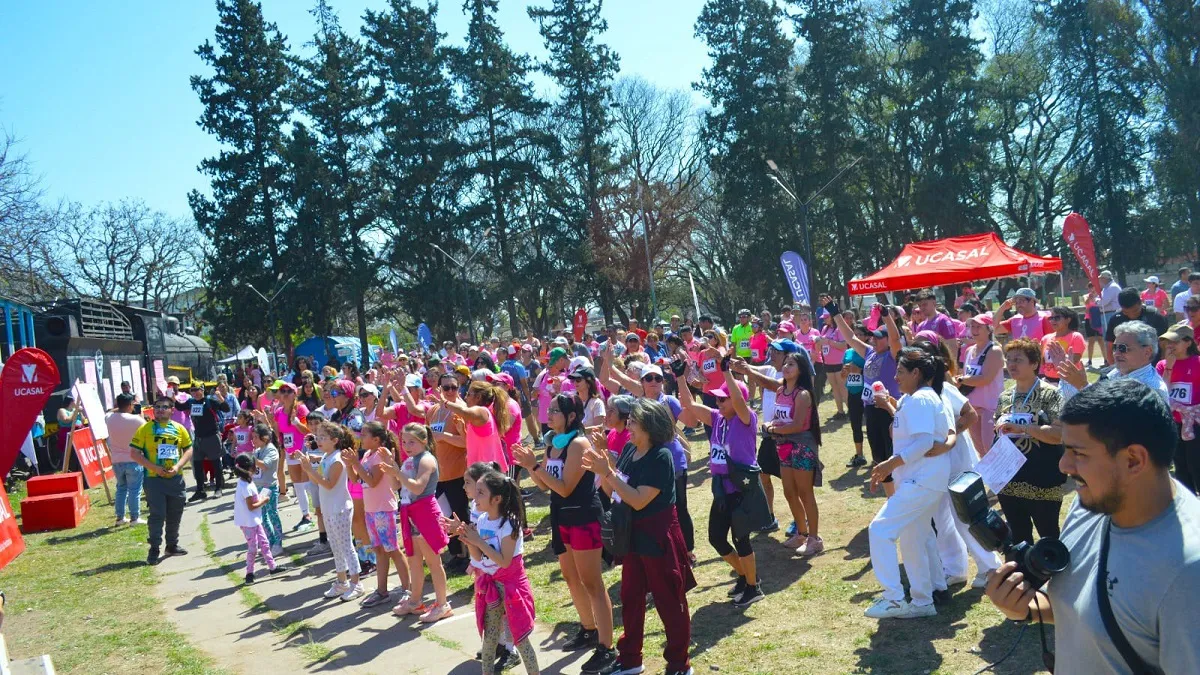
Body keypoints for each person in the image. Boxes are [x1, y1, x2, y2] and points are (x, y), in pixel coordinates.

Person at [985, 379, 1200, 674]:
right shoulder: (1093, 501)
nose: (1064, 465)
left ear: (1134, 460)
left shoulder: (1188, 572)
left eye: (1079, 453)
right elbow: (1091, 607)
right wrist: (1025, 608)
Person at [581, 399, 695, 675]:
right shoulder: (631, 449)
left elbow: (638, 499)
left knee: (669, 601)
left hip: (657, 537)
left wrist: (607, 471)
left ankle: (679, 664)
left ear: (649, 425)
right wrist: (604, 459)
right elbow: (615, 489)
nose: (628, 425)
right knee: (630, 596)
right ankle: (630, 658)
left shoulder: (661, 456)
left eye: (633, 421)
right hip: (632, 535)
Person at [512, 396, 614, 672]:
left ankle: (607, 648)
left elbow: (566, 487)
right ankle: (588, 629)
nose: (550, 414)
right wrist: (530, 466)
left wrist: (535, 466)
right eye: (550, 409)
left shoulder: (578, 444)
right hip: (562, 516)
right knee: (570, 577)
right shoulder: (552, 444)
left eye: (556, 410)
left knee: (592, 582)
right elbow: (545, 487)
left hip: (583, 516)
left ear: (571, 416)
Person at [864, 347, 954, 619]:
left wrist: (889, 465)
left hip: (922, 480)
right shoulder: (915, 398)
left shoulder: (921, 399)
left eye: (901, 372)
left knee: (880, 530)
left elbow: (924, 442)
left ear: (916, 373)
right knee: (915, 539)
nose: (896, 377)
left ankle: (893, 598)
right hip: (922, 480)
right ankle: (925, 600)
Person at [679, 362, 768, 605]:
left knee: (741, 539)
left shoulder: (746, 418)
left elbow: (738, 401)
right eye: (717, 399)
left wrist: (727, 371)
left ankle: (753, 588)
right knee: (716, 537)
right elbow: (689, 405)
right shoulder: (717, 418)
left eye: (722, 399)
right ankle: (745, 576)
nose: (718, 403)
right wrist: (680, 378)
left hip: (741, 488)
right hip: (721, 488)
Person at [598, 359, 695, 555]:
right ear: (641, 382)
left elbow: (692, 422)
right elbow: (613, 380)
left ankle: (687, 551)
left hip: (673, 461)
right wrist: (608, 360)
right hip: (647, 462)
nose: (653, 381)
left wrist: (682, 383)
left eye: (658, 378)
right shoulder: (637, 404)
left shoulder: (669, 401)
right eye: (648, 378)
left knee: (679, 508)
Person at [448, 470, 541, 675]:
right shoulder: (482, 520)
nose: (475, 496)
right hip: (492, 587)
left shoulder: (510, 523)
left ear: (496, 499)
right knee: (489, 640)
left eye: (481, 492)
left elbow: (504, 561)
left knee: (521, 640)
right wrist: (467, 538)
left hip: (512, 589)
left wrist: (478, 541)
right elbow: (478, 558)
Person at [734, 351, 823, 556]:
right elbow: (779, 416)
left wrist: (772, 428)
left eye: (791, 364)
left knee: (805, 493)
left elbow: (798, 425)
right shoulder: (781, 390)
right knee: (789, 492)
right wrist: (771, 424)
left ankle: (814, 539)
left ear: (801, 370)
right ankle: (801, 534)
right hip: (783, 445)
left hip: (802, 447)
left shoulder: (803, 394)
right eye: (786, 364)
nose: (786, 367)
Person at [994, 338, 1069, 544]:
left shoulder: (1051, 394)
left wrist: (1024, 429)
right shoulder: (1005, 397)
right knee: (1018, 540)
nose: (1011, 364)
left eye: (1018, 359)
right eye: (1009, 359)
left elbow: (1059, 434)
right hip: (1009, 480)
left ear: (1035, 363)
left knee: (1048, 537)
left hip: (1043, 478)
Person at [344, 421, 411, 609]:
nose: (360, 437)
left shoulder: (381, 454)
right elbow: (355, 480)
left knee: (393, 550)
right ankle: (382, 591)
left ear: (376, 439)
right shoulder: (367, 455)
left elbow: (372, 481)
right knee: (379, 550)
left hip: (384, 509)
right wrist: (350, 464)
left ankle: (408, 590)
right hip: (371, 509)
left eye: (365, 434)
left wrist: (355, 463)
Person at [836, 308, 902, 496]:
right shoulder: (869, 352)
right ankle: (890, 497)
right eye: (873, 336)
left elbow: (895, 339)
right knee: (878, 456)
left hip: (888, 410)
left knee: (892, 454)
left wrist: (886, 316)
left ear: (887, 340)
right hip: (871, 410)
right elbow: (850, 337)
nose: (874, 339)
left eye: (879, 337)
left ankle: (900, 493)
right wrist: (835, 314)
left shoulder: (893, 355)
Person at [299, 421, 365, 602]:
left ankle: (356, 584)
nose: (319, 441)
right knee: (336, 547)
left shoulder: (337, 460)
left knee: (346, 547)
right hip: (329, 509)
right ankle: (342, 582)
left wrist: (309, 469)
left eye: (323, 438)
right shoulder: (327, 457)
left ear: (335, 440)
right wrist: (309, 464)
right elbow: (319, 478)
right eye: (318, 437)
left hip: (340, 509)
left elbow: (329, 484)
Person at [130, 394, 193, 565]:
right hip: (154, 480)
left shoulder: (179, 428)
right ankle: (154, 548)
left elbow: (188, 449)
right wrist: (154, 467)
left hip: (175, 480)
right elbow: (134, 453)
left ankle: (171, 545)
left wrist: (178, 466)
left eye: (164, 407)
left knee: (175, 514)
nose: (160, 410)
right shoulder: (145, 429)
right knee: (157, 515)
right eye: (157, 407)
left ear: (172, 410)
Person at [1061, 321, 1171, 405]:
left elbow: (1108, 416)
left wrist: (1083, 386)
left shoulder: (1152, 388)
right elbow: (1081, 406)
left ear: (1147, 352)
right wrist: (1066, 377)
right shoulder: (1111, 374)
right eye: (1115, 347)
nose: (1116, 353)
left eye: (1123, 348)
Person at [1156, 325, 1200, 493]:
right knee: (1181, 467)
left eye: (1175, 341)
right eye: (1168, 341)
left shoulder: (1197, 363)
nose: (1170, 345)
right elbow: (1162, 392)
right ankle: (1189, 501)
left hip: (1195, 423)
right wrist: (1169, 367)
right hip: (1174, 423)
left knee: (1196, 464)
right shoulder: (1162, 365)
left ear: (1188, 342)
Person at [261, 381, 311, 530]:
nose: (285, 394)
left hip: (304, 449)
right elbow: (278, 432)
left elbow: (308, 431)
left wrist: (296, 422)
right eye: (283, 391)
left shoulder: (300, 409)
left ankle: (320, 514)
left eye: (289, 391)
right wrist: (267, 420)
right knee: (298, 485)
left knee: (309, 484)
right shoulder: (279, 412)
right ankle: (306, 516)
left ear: (295, 394)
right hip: (290, 451)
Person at [954, 313, 1006, 453]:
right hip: (973, 408)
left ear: (989, 330)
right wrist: (960, 381)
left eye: (979, 327)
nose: (974, 330)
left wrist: (961, 380)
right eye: (972, 326)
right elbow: (967, 377)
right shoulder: (969, 351)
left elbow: (985, 379)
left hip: (990, 407)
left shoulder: (994, 350)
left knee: (991, 449)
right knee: (980, 451)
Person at [231, 453, 284, 584]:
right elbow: (251, 506)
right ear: (250, 468)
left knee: (264, 543)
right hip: (248, 522)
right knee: (253, 548)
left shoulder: (247, 481)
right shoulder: (246, 486)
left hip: (254, 520)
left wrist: (260, 497)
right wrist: (264, 501)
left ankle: (273, 567)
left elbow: (252, 502)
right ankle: (249, 573)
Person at [179, 382, 230, 501]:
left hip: (212, 436)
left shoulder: (210, 401)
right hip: (198, 438)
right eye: (192, 390)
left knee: (216, 463)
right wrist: (171, 397)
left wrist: (220, 398)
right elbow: (179, 407)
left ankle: (218, 488)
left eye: (197, 390)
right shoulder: (191, 402)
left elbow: (226, 409)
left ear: (202, 390)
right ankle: (200, 490)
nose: (195, 393)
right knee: (197, 464)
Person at [106, 393, 147, 525]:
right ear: (130, 405)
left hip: (116, 460)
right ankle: (134, 517)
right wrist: (139, 412)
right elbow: (146, 428)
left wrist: (119, 407)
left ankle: (120, 517)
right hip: (133, 459)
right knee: (134, 490)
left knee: (121, 488)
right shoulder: (136, 420)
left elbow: (109, 412)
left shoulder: (109, 418)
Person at [1105, 287, 1168, 364]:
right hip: (1126, 364)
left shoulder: (1154, 316)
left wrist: (1163, 362)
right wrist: (1112, 364)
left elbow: (1164, 342)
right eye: (1126, 312)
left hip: (1153, 362)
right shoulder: (1116, 319)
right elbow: (1109, 344)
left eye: (1135, 311)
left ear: (1141, 302)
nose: (1132, 315)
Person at [247, 423, 283, 555]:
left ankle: (278, 543)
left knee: (273, 514)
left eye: (256, 437)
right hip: (259, 487)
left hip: (269, 487)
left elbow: (265, 465)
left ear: (265, 437)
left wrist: (252, 459)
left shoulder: (271, 450)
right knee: (262, 516)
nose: (253, 440)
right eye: (253, 437)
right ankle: (270, 541)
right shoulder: (258, 450)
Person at [840, 319, 870, 467]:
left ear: (866, 337)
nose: (857, 337)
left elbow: (875, 373)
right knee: (855, 424)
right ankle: (859, 455)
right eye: (855, 335)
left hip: (868, 393)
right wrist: (845, 372)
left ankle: (878, 456)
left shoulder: (869, 351)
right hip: (853, 392)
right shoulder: (848, 352)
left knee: (871, 425)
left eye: (860, 335)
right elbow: (843, 375)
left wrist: (860, 370)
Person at [914, 289, 960, 368]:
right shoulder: (920, 326)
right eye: (919, 305)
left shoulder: (943, 321)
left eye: (924, 304)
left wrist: (949, 369)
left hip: (941, 367)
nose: (922, 308)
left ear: (934, 302)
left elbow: (953, 348)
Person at [1040, 306, 1085, 384]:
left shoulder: (1076, 337)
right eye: (1051, 318)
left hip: (1068, 381)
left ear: (1068, 320)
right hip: (1048, 380)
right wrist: (1037, 352)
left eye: (1057, 318)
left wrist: (1061, 358)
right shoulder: (1046, 338)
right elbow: (1042, 362)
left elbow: (1074, 361)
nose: (1053, 321)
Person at [1081, 283, 1104, 365]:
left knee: (1101, 340)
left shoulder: (1101, 295)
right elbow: (1086, 303)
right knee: (1091, 340)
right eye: (1089, 287)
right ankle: (1090, 360)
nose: (1091, 289)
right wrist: (1090, 297)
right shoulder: (1086, 296)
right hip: (1089, 319)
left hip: (1098, 319)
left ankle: (1106, 359)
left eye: (1092, 287)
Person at [1098, 270, 1123, 338]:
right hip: (1108, 314)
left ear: (1105, 279)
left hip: (1111, 314)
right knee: (1108, 337)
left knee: (1110, 337)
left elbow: (1103, 302)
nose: (1100, 280)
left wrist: (1096, 301)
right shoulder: (1107, 288)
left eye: (1101, 278)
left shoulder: (1112, 287)